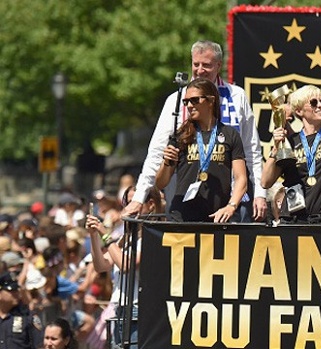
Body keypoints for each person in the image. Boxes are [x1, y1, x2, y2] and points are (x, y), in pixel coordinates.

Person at [125, 40, 266, 222]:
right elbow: (156, 153)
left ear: (218, 65)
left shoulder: (236, 96)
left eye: (206, 65)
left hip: (230, 193)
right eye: (196, 64)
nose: (200, 70)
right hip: (184, 192)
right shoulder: (176, 101)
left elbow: (251, 149)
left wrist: (260, 193)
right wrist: (139, 198)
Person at [261, 17, 321, 224]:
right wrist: (275, 148)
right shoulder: (291, 141)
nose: (320, 105)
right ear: (299, 111)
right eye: (313, 102)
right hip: (293, 220)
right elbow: (266, 181)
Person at [155, 78, 247, 222]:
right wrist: (167, 162)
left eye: (195, 100)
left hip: (217, 218)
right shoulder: (181, 135)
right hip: (182, 218)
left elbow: (241, 178)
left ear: (211, 101)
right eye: (186, 102)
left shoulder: (230, 134)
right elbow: (161, 183)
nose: (189, 106)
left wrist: (231, 206)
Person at [87, 185, 162, 348]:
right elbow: (101, 265)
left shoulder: (154, 235)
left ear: (151, 204)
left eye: (135, 202)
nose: (129, 208)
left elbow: (126, 264)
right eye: (127, 203)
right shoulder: (125, 239)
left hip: (138, 311)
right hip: (119, 310)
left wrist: (105, 234)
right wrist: (93, 235)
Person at [0, 272, 43, 348]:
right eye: (11, 291)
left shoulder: (27, 316)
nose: (16, 293)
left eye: (16, 290)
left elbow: (39, 344)